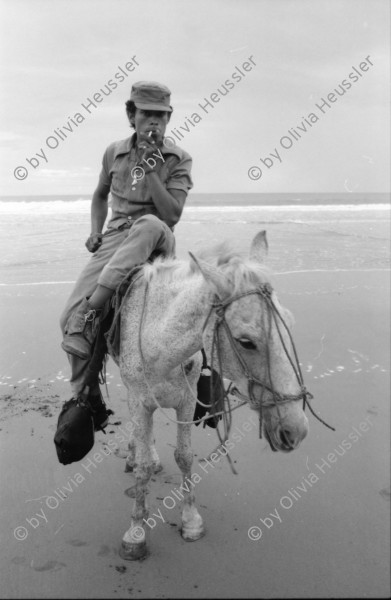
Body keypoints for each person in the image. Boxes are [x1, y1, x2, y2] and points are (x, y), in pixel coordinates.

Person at [59, 81, 193, 432]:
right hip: (116, 239)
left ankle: (94, 308)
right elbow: (99, 195)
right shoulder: (113, 153)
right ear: (131, 115)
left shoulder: (178, 159)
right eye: (146, 114)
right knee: (65, 320)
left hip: (156, 238)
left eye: (161, 116)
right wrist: (95, 230)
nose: (154, 122)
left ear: (169, 118)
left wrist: (152, 169)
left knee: (148, 222)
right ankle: (86, 394)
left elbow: (172, 214)